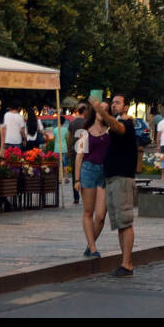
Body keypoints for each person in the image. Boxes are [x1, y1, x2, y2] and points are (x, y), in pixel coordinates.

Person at [96, 94, 138, 276]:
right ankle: (124, 262)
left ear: (126, 107)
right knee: (120, 223)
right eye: (112, 103)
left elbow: (118, 127)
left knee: (125, 222)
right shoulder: (116, 124)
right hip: (113, 177)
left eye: (118, 103)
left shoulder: (126, 123)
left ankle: (127, 263)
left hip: (122, 178)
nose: (114, 105)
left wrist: (100, 110)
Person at [76, 102, 109, 256]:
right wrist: (77, 179)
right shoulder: (85, 132)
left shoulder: (110, 131)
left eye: (106, 111)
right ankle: (93, 248)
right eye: (100, 110)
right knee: (89, 211)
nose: (102, 113)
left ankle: (90, 244)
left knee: (101, 215)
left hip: (104, 172)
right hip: (88, 170)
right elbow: (79, 156)